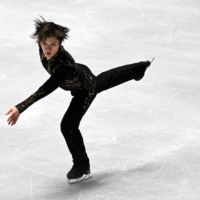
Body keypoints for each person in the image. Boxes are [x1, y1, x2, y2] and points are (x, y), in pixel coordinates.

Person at [6, 16, 154, 183]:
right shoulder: (43, 46)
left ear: (60, 44)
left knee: (69, 125)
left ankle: (81, 166)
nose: (47, 48)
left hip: (84, 88)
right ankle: (139, 68)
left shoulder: (63, 67)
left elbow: (47, 88)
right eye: (44, 43)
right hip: (79, 75)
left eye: (53, 45)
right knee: (103, 81)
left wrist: (21, 107)